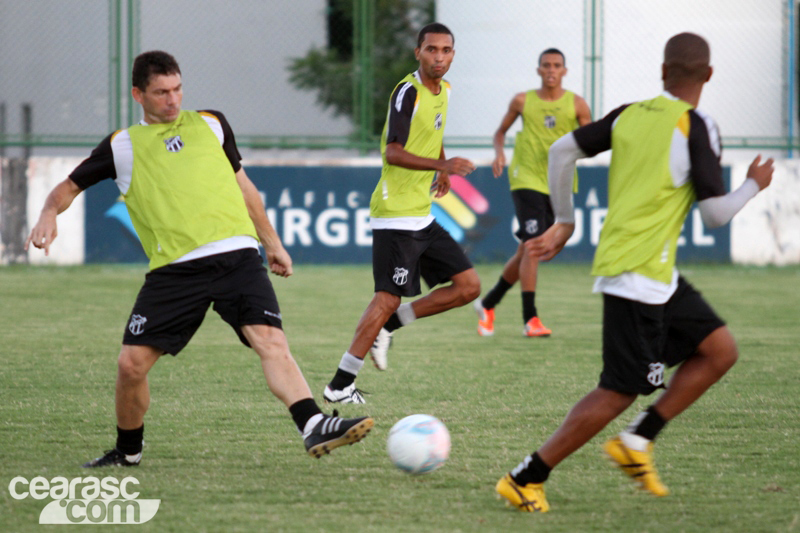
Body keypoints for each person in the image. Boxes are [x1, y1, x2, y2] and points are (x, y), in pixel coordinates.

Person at [25, 50, 373, 467]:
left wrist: (272, 243)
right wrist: (48, 213)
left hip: (237, 256)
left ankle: (313, 423)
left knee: (272, 341)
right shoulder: (122, 146)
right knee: (131, 366)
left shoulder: (212, 124)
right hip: (175, 271)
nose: (172, 100)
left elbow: (245, 188)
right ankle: (128, 451)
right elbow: (66, 188)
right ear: (138, 94)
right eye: (160, 93)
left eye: (177, 89)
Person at [495, 32, 774, 512]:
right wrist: (753, 184)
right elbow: (715, 214)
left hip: (655, 272)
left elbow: (562, 151)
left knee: (719, 349)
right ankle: (525, 477)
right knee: (619, 390)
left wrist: (566, 220)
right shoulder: (697, 125)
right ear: (708, 76)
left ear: (663, 72)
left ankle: (639, 440)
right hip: (637, 276)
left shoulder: (629, 113)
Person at [323, 23, 480, 404]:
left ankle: (390, 327)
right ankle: (340, 384)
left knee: (468, 287)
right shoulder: (407, 92)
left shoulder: (444, 90)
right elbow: (393, 151)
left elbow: (434, 133)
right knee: (386, 298)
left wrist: (442, 167)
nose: (438, 57)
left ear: (453, 55)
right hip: (395, 214)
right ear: (418, 52)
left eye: (445, 50)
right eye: (431, 50)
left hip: (421, 214)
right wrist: (440, 165)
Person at [474, 48, 591, 338]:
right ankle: (531, 319)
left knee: (527, 249)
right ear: (538, 70)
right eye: (546, 65)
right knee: (534, 245)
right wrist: (499, 154)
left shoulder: (577, 104)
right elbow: (500, 132)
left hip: (558, 183)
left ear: (565, 71)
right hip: (525, 177)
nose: (551, 70)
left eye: (557, 66)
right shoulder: (523, 100)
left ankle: (488, 304)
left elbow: (591, 141)